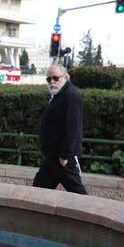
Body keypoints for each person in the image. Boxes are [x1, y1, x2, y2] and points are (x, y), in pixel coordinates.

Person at [33, 64, 87, 194]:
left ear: (65, 77)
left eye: (56, 78)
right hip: (53, 155)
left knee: (77, 193)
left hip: (62, 157)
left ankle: (92, 211)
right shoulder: (58, 94)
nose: (52, 81)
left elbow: (72, 127)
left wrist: (65, 155)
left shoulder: (70, 96)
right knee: (39, 187)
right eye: (49, 79)